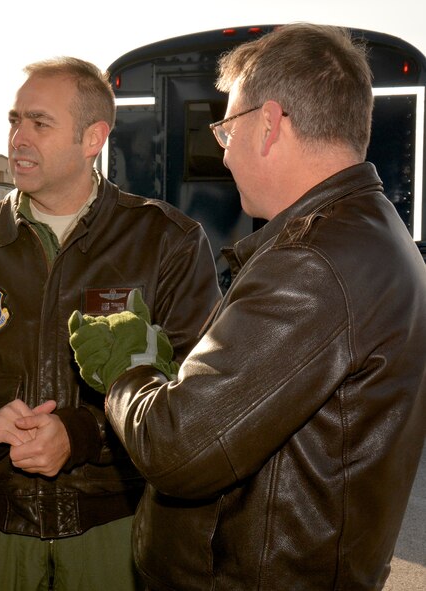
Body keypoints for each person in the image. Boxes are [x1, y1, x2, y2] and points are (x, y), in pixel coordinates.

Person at [69, 23, 426, 590]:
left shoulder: (313, 261)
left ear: (269, 123)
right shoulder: (370, 232)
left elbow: (179, 448)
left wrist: (126, 370)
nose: (224, 150)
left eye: (225, 128)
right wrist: (174, 375)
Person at [0, 56, 221, 590]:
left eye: (39, 123)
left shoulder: (165, 242)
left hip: (114, 528)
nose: (18, 137)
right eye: (15, 120)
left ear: (93, 138)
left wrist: (83, 434)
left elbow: (197, 386)